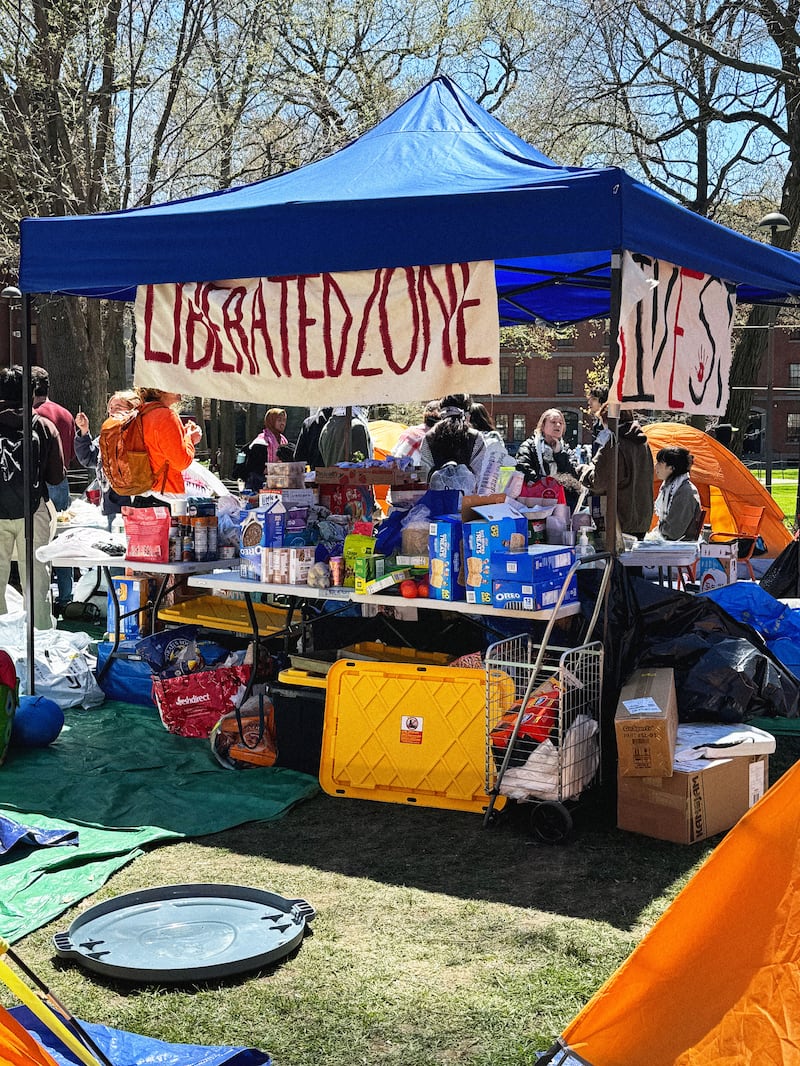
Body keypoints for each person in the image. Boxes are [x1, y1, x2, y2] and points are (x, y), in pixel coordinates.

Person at [0, 365, 65, 629]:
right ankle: (39, 640)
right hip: (33, 510)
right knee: (37, 578)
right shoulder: (44, 426)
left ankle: (3, 646)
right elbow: (56, 477)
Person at [31, 366, 77, 610]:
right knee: (64, 539)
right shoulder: (66, 414)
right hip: (62, 481)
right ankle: (66, 595)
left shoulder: (34, 417)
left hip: (40, 483)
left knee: (42, 542)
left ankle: (43, 597)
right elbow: (69, 453)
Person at [583, 410, 655, 542]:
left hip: (618, 519)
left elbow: (600, 482)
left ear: (607, 421)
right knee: (633, 561)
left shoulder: (614, 443)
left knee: (616, 560)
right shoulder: (642, 442)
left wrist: (583, 471)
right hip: (641, 518)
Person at [74, 390, 140, 527]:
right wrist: (84, 431)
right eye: (111, 408)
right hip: (112, 506)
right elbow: (88, 457)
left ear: (133, 410)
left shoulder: (140, 435)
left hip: (137, 504)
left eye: (118, 408)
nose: (112, 411)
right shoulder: (107, 436)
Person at [127, 387, 201, 501]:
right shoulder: (165, 415)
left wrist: (184, 436)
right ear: (159, 388)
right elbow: (181, 462)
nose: (182, 386)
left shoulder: (140, 413)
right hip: (165, 494)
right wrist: (191, 438)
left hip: (140, 493)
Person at [515, 409, 583, 507]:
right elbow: (522, 470)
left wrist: (559, 454)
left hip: (562, 503)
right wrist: (547, 483)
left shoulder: (566, 449)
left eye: (561, 423)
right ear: (542, 426)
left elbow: (573, 475)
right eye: (553, 422)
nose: (558, 425)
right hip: (534, 501)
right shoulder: (529, 446)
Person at [417, 394, 485, 489]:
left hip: (438, 498)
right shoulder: (475, 437)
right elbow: (480, 473)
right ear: (466, 411)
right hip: (468, 499)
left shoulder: (429, 437)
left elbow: (424, 474)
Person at [648, 446, 702, 541]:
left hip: (681, 546)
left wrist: (657, 533)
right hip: (671, 542)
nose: (656, 466)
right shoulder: (671, 487)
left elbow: (673, 532)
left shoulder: (686, 491)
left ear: (671, 468)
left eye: (660, 463)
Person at [243, 408, 289, 492]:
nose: (283, 423)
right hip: (257, 486)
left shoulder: (283, 440)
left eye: (284, 420)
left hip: (276, 483)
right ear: (271, 421)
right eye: (279, 420)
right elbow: (254, 467)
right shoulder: (261, 442)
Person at [391, 401, 441, 468]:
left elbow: (394, 454)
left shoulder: (409, 432)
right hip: (427, 475)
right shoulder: (440, 437)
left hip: (400, 473)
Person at [587, 386, 611, 455]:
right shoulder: (596, 425)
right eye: (589, 399)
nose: (589, 402)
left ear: (603, 402)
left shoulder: (613, 424)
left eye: (594, 399)